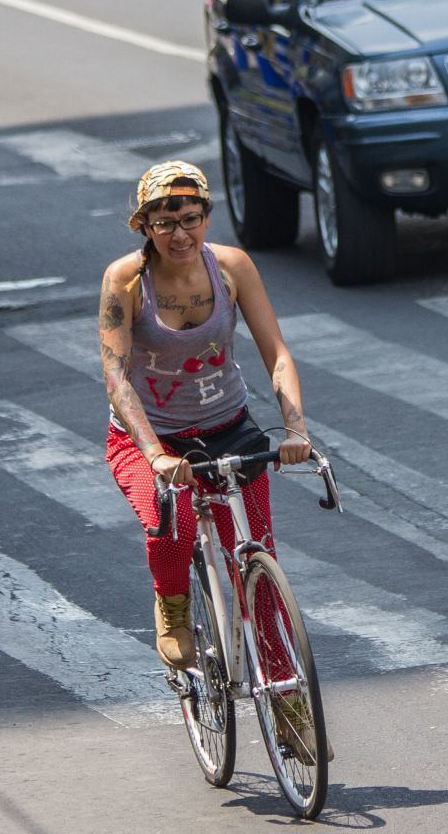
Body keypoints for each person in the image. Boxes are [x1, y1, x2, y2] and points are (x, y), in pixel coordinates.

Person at [96, 161, 327, 760]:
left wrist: (296, 428)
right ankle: (172, 605)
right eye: (165, 222)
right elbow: (116, 375)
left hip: (230, 429)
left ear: (206, 218)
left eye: (191, 219)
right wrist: (153, 452)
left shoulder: (231, 267)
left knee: (257, 565)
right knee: (166, 523)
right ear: (144, 226)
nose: (180, 234)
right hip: (152, 439)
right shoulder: (125, 281)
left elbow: (277, 354)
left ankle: (288, 707)